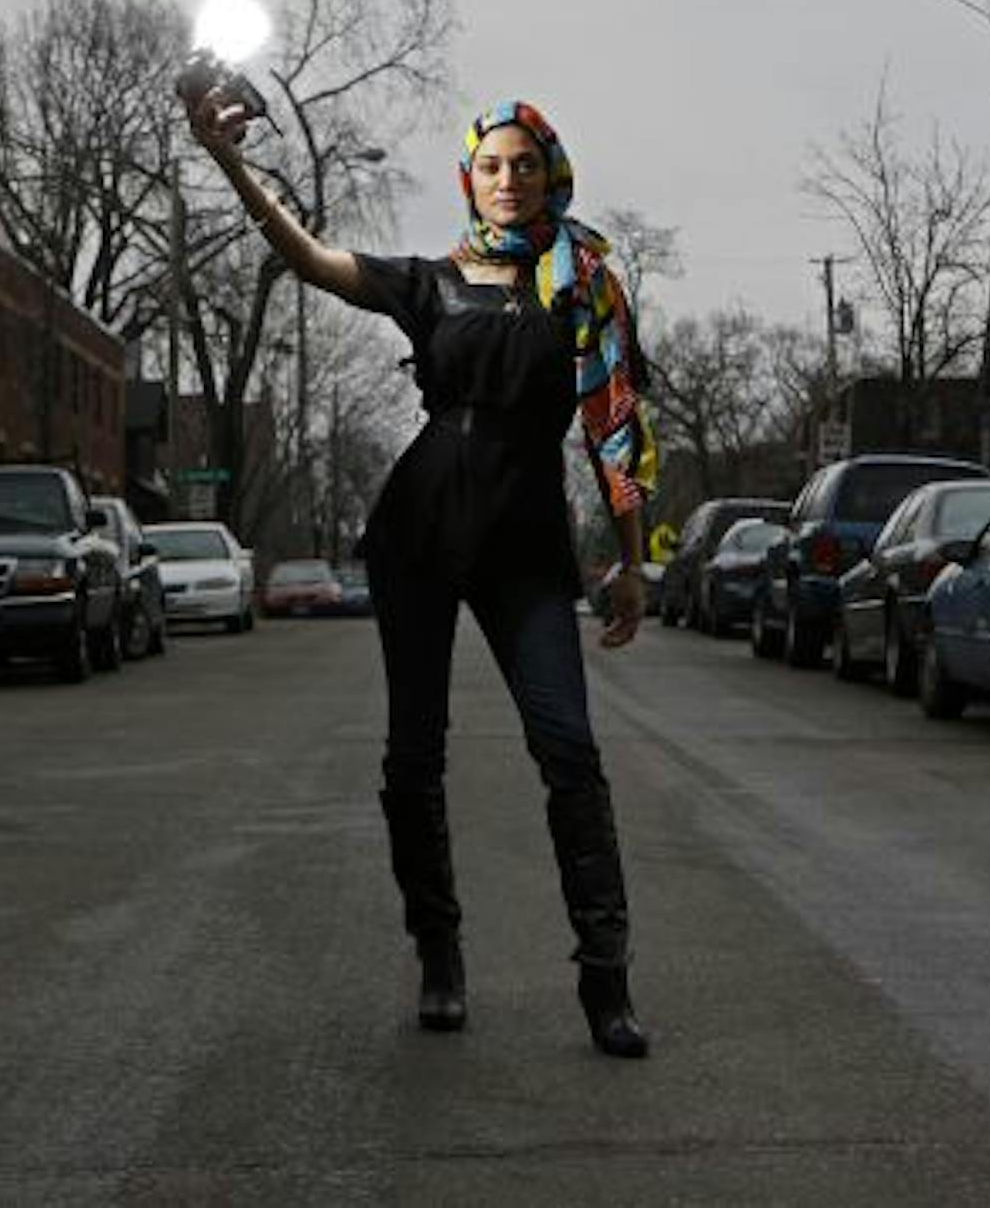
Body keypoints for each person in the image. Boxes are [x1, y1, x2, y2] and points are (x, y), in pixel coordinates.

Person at [186, 89, 658, 1059]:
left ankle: (606, 983)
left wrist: (632, 554)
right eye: (493, 164)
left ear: (551, 175)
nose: (509, 179)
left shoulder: (585, 285)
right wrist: (229, 163)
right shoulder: (430, 282)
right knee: (414, 755)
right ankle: (439, 955)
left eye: (526, 164)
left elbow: (612, 418)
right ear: (471, 179)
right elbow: (311, 260)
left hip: (526, 540)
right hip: (421, 530)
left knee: (569, 748)